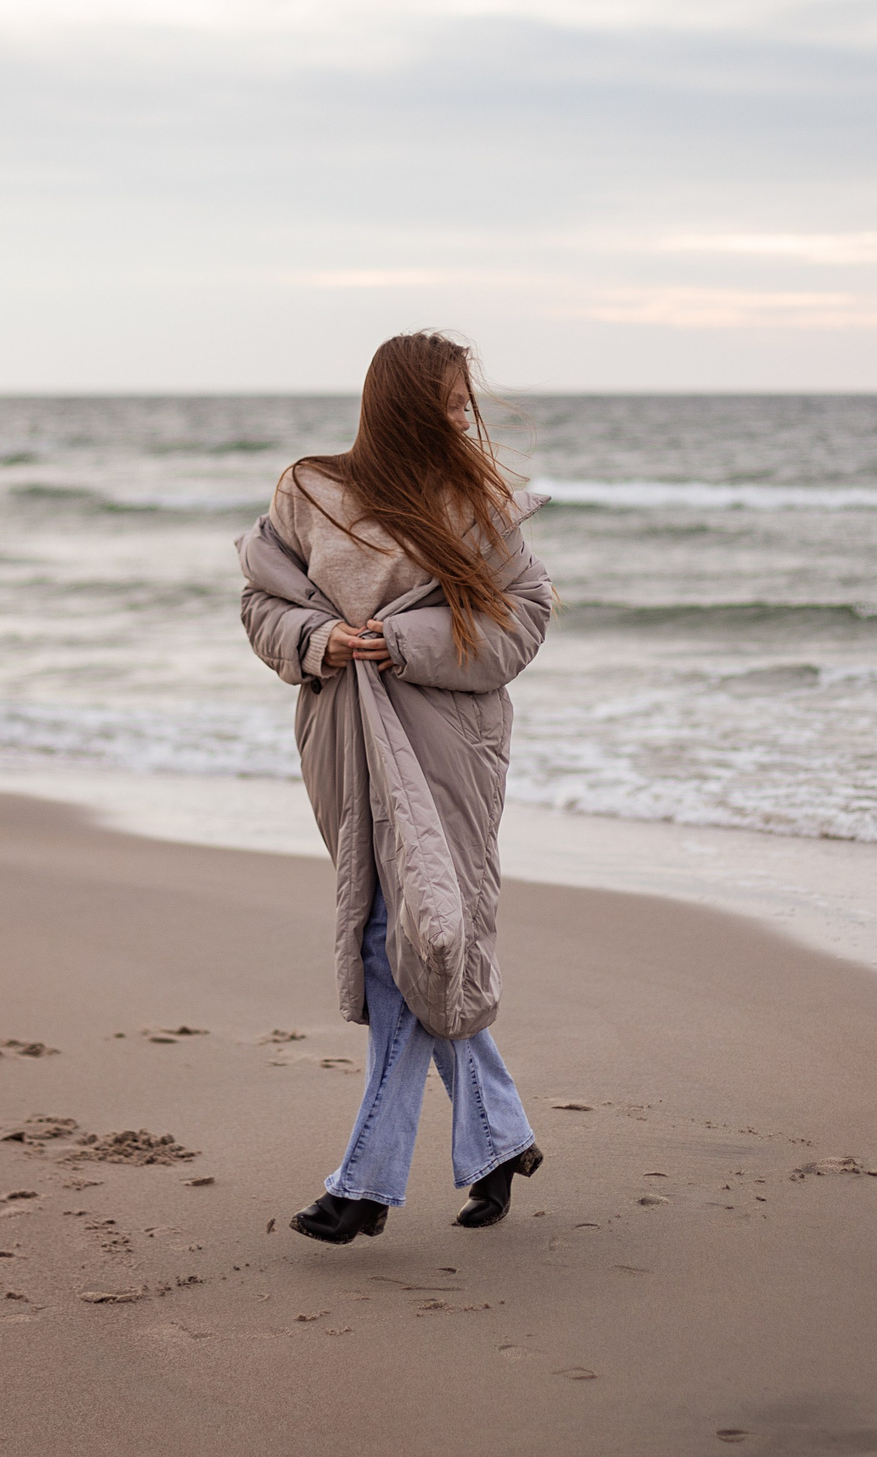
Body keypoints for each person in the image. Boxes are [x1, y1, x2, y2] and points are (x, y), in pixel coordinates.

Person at [235, 331, 556, 1244]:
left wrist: (404, 644)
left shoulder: (477, 504)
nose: (464, 415)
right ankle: (499, 1138)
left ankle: (363, 1185)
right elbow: (261, 602)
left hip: (448, 745)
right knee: (410, 935)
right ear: (403, 403)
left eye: (468, 400)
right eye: (450, 400)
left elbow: (520, 626)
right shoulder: (310, 491)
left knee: (407, 940)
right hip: (345, 739)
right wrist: (318, 640)